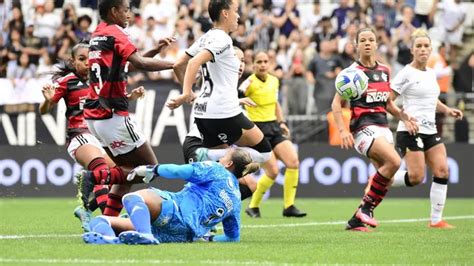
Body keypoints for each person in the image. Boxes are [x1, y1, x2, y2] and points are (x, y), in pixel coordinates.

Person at [78, 0, 174, 215]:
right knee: (150, 168)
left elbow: (127, 64)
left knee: (128, 171)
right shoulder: (116, 32)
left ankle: (108, 222)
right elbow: (139, 64)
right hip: (112, 114)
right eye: (125, 10)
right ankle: (96, 177)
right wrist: (175, 63)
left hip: (96, 116)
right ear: (114, 11)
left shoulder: (99, 33)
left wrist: (155, 51)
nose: (129, 14)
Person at [38, 42, 141, 230]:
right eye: (81, 59)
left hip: (101, 136)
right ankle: (108, 222)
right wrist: (47, 101)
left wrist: (129, 97)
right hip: (79, 136)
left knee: (123, 175)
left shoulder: (100, 79)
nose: (86, 63)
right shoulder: (67, 81)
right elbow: (44, 110)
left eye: (89, 58)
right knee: (100, 170)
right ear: (72, 61)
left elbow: (113, 101)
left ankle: (86, 209)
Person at [331, 28, 418, 232]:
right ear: (356, 45)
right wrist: (343, 131)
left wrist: (402, 115)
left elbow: (387, 103)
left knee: (385, 178)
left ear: (377, 43)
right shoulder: (350, 74)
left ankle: (355, 220)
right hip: (363, 128)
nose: (368, 43)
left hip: (383, 127)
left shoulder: (385, 70)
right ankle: (367, 209)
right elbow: (336, 104)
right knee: (395, 161)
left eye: (371, 39)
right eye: (363, 40)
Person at [168, 0, 272, 165]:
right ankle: (206, 155)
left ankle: (208, 156)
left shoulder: (205, 37)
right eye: (236, 11)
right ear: (225, 13)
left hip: (202, 113)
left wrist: (190, 94)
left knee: (221, 169)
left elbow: (178, 64)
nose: (238, 16)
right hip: (224, 113)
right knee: (265, 154)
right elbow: (193, 63)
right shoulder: (223, 40)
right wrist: (187, 93)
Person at [82, 148, 260, 244]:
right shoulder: (236, 200)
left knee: (131, 198)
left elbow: (178, 171)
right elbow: (232, 238)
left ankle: (145, 235)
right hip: (180, 235)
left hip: (175, 211)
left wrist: (154, 169)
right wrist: (208, 238)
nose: (220, 159)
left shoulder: (217, 170)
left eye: (223, 157)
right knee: (101, 221)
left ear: (228, 164)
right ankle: (113, 241)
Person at [390, 29, 463, 228]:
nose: (423, 49)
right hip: (410, 130)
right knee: (416, 177)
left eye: (426, 46)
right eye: (419, 46)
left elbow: (431, 99)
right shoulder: (405, 73)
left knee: (442, 170)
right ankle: (382, 178)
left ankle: (436, 220)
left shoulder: (431, 73)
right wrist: (403, 117)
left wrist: (447, 110)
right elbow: (388, 100)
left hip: (430, 131)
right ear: (412, 50)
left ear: (431, 49)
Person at [239, 51, 306, 218]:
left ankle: (289, 206)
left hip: (274, 126)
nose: (262, 64)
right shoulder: (248, 83)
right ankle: (253, 206)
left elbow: (275, 103)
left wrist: (282, 122)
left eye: (265, 61)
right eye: (259, 62)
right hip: (258, 131)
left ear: (269, 64)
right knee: (273, 172)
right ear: (253, 65)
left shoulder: (274, 81)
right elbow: (235, 99)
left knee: (293, 162)